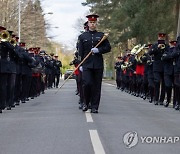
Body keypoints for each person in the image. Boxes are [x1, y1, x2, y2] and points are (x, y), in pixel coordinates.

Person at [77, 14, 111, 113]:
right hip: (86, 64)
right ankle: (85, 103)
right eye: (91, 22)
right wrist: (80, 65)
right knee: (87, 83)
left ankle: (95, 106)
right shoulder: (82, 37)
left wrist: (98, 50)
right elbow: (80, 52)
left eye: (94, 22)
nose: (92, 24)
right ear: (88, 23)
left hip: (97, 64)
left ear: (96, 23)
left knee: (96, 86)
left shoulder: (101, 36)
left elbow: (108, 48)